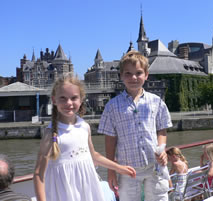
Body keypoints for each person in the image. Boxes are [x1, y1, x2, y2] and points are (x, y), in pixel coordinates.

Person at [33, 73, 136, 201]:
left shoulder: (84, 127)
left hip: (86, 189)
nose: (68, 103)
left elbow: (93, 156)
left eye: (73, 98)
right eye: (63, 98)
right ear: (54, 100)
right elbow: (38, 173)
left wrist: (119, 168)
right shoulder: (51, 133)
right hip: (64, 191)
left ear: (81, 99)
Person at [98, 50, 173, 201]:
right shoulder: (112, 106)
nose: (133, 78)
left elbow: (162, 130)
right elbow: (110, 140)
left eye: (138, 73)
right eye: (128, 74)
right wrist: (112, 171)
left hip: (154, 167)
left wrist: (162, 148)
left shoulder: (156, 101)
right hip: (128, 169)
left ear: (146, 75)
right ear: (121, 76)